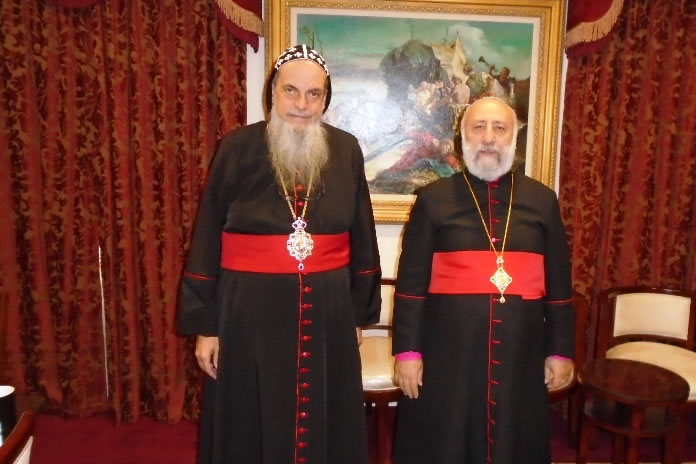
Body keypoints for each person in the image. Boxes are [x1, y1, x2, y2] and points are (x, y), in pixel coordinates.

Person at [177, 44, 381, 464]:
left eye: (313, 94)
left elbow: (362, 234)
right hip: (248, 311)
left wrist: (357, 314)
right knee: (249, 419)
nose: (302, 104)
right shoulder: (237, 147)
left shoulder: (346, 150)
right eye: (291, 91)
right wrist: (206, 327)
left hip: (328, 311)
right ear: (272, 93)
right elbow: (207, 235)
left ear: (325, 100)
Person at [391, 97, 574, 463]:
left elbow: (559, 286)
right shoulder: (432, 200)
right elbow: (411, 286)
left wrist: (560, 350)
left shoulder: (542, 201)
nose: (489, 137)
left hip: (521, 355)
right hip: (448, 357)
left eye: (499, 128)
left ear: (513, 139)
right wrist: (407, 352)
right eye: (478, 127)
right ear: (463, 139)